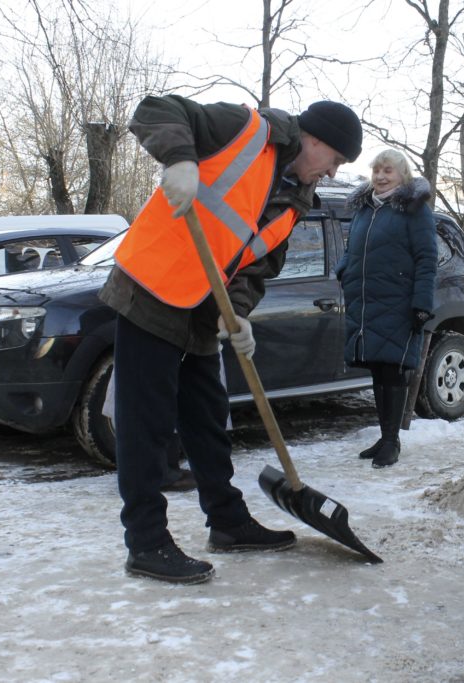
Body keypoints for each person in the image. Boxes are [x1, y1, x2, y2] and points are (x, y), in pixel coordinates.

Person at [101, 96, 363, 584]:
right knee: (147, 423)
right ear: (314, 139)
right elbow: (156, 110)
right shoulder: (245, 129)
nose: (332, 172)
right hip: (152, 287)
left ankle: (227, 521)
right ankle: (146, 542)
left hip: (203, 308)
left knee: (207, 419)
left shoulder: (296, 201)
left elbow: (257, 265)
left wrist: (237, 314)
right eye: (335, 160)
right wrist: (180, 161)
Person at [335, 149, 438, 469]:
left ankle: (392, 441)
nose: (380, 176)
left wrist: (421, 304)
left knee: (393, 369)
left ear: (402, 175)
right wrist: (344, 270)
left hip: (398, 301)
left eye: (388, 170)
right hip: (367, 301)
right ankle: (385, 436)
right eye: (376, 170)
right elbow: (351, 249)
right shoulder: (365, 209)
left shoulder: (415, 210)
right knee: (378, 369)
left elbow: (427, 259)